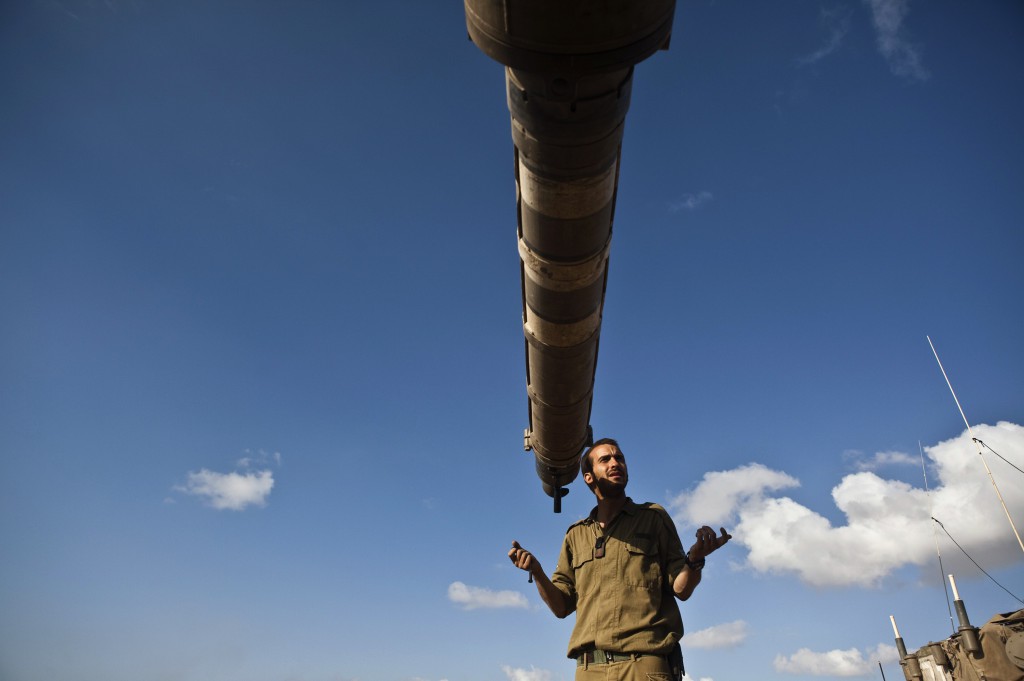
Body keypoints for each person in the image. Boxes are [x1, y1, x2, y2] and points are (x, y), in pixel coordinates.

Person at [509, 438, 731, 681]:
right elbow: (562, 607)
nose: (616, 463)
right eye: (605, 459)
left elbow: (681, 589)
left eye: (619, 458)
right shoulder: (576, 535)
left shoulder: (653, 518)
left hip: (643, 666)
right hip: (589, 669)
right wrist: (537, 572)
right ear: (589, 477)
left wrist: (695, 561)